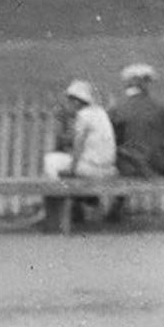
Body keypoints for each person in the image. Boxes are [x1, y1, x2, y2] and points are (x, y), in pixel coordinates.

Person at [41, 80, 116, 226]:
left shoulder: (83, 116)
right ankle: (62, 207)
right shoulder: (100, 113)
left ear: (77, 101)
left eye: (70, 101)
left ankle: (54, 211)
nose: (68, 105)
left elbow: (78, 146)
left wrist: (72, 169)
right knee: (58, 163)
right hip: (107, 167)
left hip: (93, 168)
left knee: (50, 160)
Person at [106, 63, 164, 223]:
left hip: (129, 166)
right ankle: (116, 208)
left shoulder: (118, 108)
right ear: (147, 84)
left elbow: (113, 140)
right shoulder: (159, 108)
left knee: (124, 158)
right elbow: (163, 135)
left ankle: (113, 208)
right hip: (157, 165)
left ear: (128, 83)